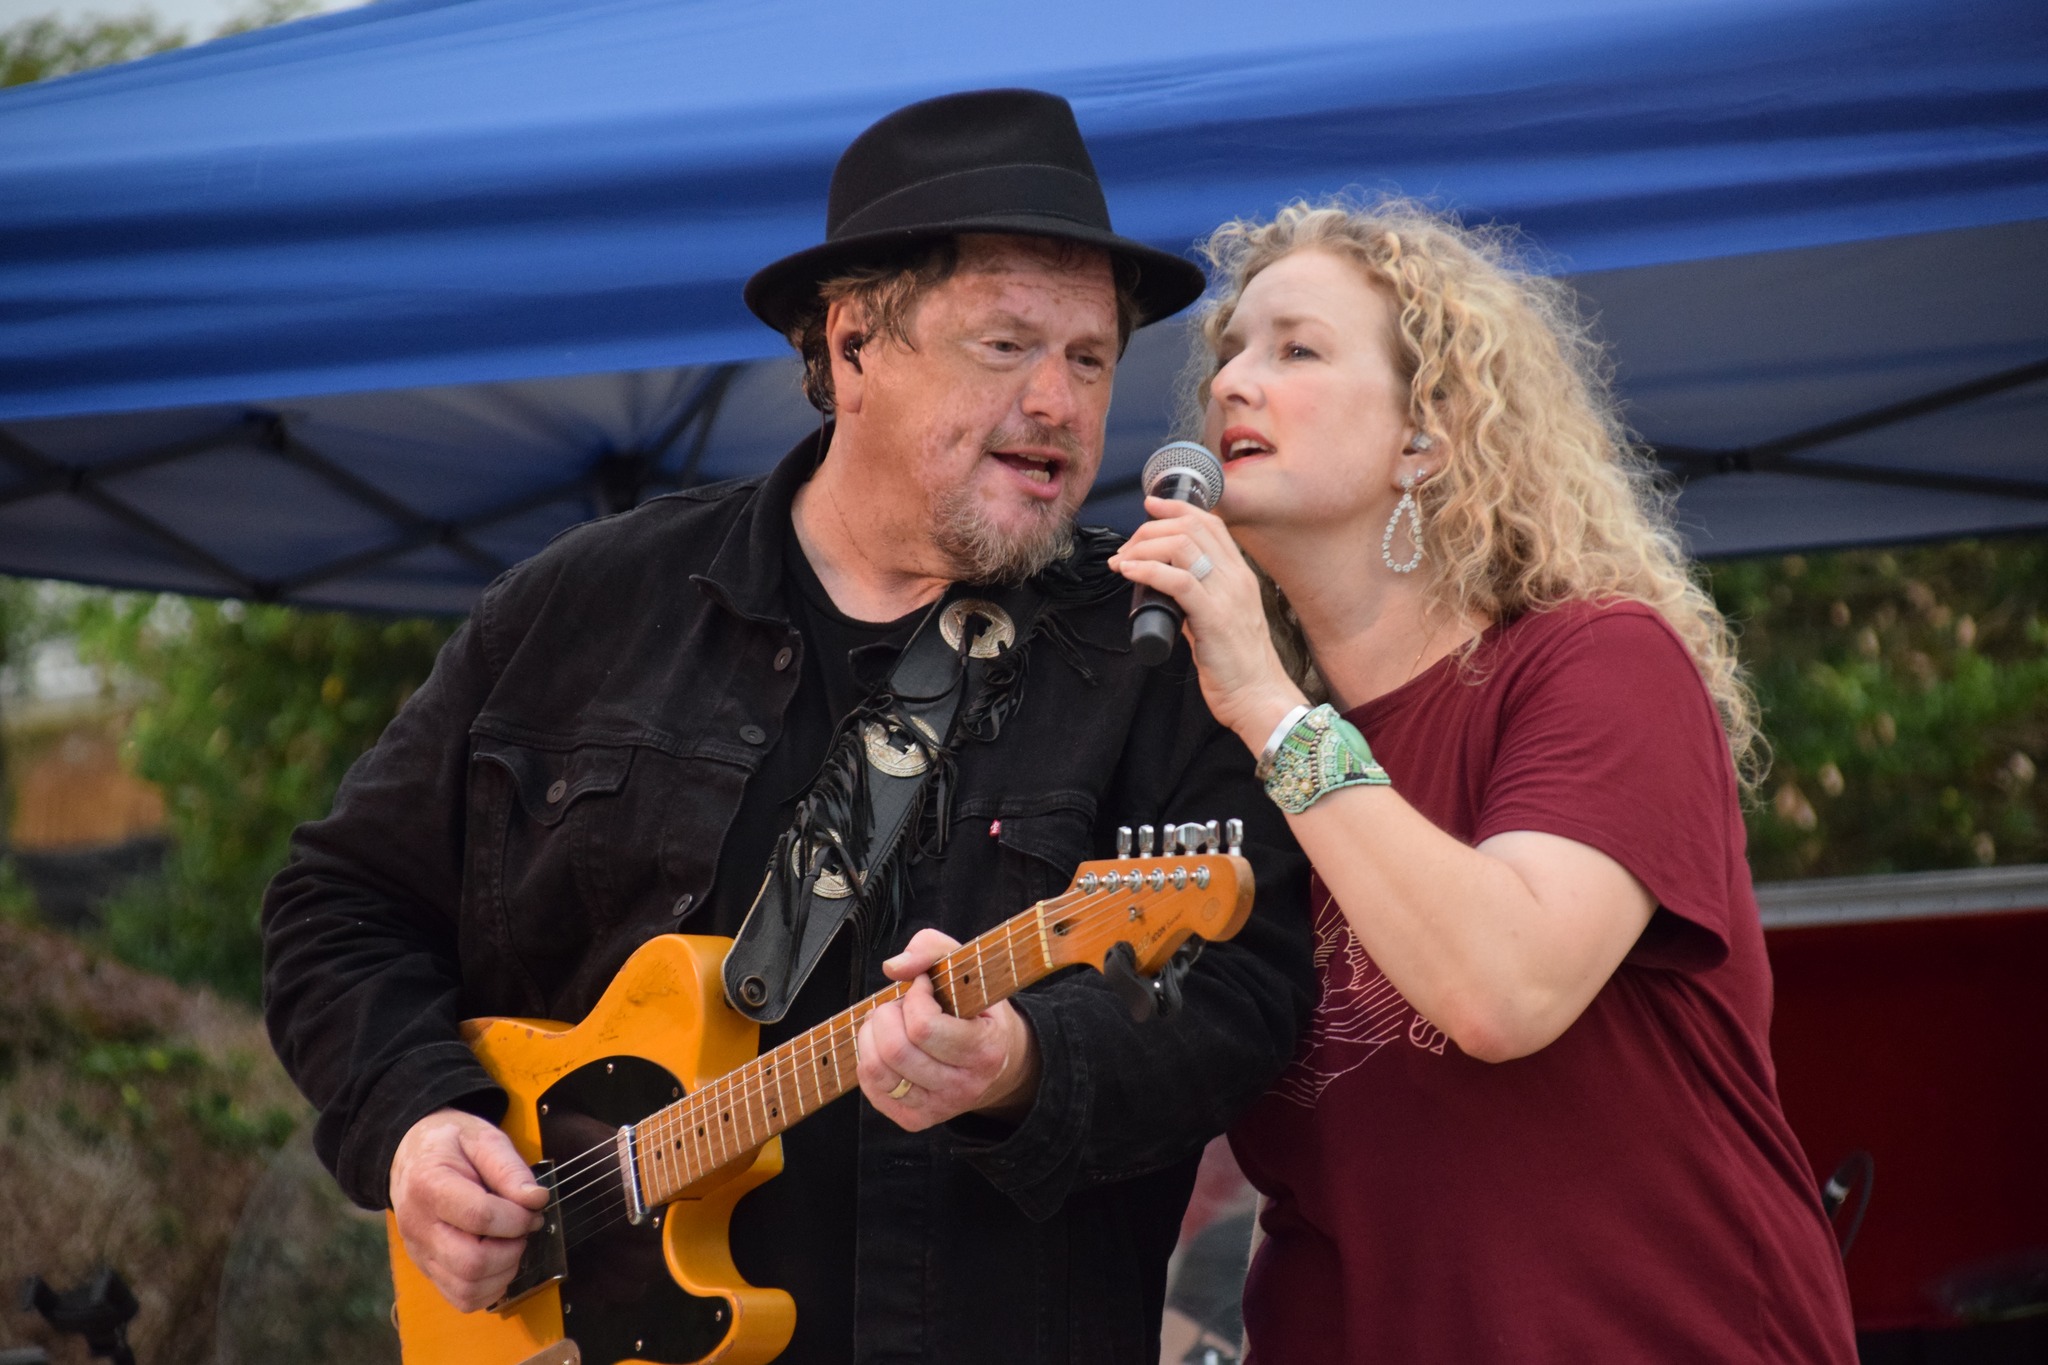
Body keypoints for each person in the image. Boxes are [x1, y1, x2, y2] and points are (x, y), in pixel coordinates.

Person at [261, 90, 1313, 1364]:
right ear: (852, 345)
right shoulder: (586, 605)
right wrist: (422, 1122)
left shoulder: (1156, 649)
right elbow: (338, 906)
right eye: (1003, 346)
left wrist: (1024, 1062)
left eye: (1088, 359)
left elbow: (1244, 997)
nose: (1055, 402)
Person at [1110, 198, 1859, 1362]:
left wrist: (1266, 702)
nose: (1231, 384)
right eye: (1229, 353)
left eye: (1295, 350)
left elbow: (1503, 991)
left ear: (1424, 438)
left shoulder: (1599, 661)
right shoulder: (1217, 752)